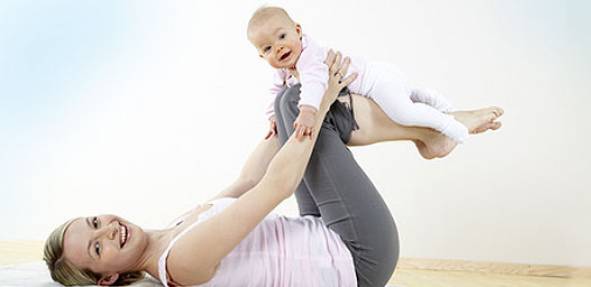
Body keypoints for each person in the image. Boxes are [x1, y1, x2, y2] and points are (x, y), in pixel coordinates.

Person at [43, 52, 503, 286]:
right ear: (106, 280)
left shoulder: (171, 230)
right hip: (357, 259)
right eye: (99, 248)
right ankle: (432, 134)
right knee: (307, 108)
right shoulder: (179, 261)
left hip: (321, 232)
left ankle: (430, 135)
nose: (109, 231)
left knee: (289, 105)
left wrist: (283, 121)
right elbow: (276, 185)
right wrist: (317, 101)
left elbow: (247, 181)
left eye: (95, 223)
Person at [247, 6, 503, 146]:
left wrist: (307, 111)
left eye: (281, 37)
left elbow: (314, 83)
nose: (278, 48)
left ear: (298, 30)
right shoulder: (284, 68)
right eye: (268, 48)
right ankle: (429, 97)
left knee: (404, 113)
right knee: (407, 99)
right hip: (381, 77)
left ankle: (451, 126)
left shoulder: (308, 56)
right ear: (261, 55)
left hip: (375, 80)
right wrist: (272, 117)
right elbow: (275, 92)